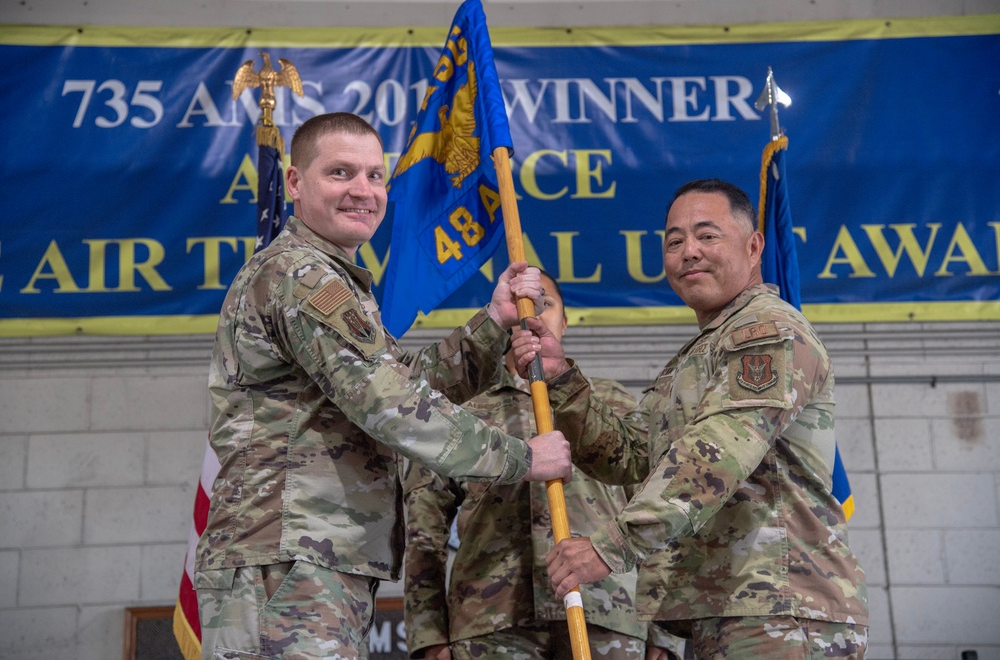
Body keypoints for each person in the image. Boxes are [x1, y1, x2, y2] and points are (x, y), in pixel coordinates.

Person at [194, 112, 572, 660]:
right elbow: (389, 406)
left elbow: (404, 384)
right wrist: (520, 457)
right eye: (341, 173)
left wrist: (493, 323)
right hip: (284, 557)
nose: (363, 191)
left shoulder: (333, 280)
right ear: (295, 183)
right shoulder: (301, 276)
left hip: (311, 555)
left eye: (375, 176)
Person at [512, 179, 869, 659]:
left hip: (780, 608)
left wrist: (611, 545)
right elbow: (631, 457)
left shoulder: (766, 332)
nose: (689, 252)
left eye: (707, 235)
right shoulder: (696, 356)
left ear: (754, 245)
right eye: (674, 241)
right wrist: (560, 381)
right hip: (727, 609)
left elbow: (720, 450)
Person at [403, 269, 656, 660]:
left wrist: (664, 631)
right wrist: (427, 631)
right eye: (523, 303)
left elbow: (655, 505)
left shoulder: (611, 401)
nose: (531, 312)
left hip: (608, 610)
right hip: (491, 615)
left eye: (545, 303)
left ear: (565, 324)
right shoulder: (463, 408)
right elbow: (425, 526)